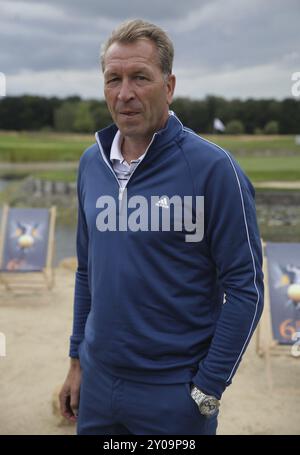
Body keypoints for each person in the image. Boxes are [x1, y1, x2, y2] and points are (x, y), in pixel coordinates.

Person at [59, 19, 264, 435]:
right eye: (113, 79)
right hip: (98, 386)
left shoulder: (214, 170)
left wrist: (208, 387)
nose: (125, 93)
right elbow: (86, 272)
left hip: (173, 392)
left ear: (168, 86)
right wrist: (77, 361)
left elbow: (246, 288)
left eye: (140, 77)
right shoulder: (90, 164)